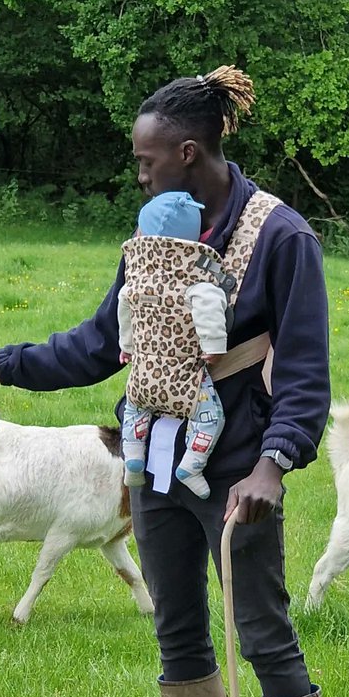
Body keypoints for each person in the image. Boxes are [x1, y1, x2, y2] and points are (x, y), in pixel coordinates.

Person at [0, 65, 331, 697]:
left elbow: (304, 373)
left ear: (190, 152)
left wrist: (273, 464)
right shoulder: (158, 234)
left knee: (261, 632)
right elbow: (100, 344)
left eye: (146, 160)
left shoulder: (283, 237)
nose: (139, 171)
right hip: (155, 460)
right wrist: (6, 364)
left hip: (236, 473)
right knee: (179, 628)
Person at [118, 188, 228, 499]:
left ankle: (134, 459)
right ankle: (192, 464)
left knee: (133, 411)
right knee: (210, 418)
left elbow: (123, 307)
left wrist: (126, 346)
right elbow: (210, 306)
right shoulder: (195, 278)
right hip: (185, 381)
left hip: (143, 375)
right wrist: (214, 347)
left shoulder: (136, 279)